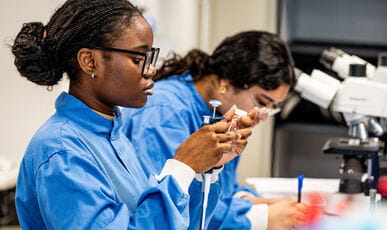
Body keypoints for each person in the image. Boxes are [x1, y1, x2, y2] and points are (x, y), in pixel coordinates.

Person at [11, 0, 255, 229]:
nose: (151, 69)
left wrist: (204, 169)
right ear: (90, 61)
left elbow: (174, 223)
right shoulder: (61, 149)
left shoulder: (112, 135)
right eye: (139, 58)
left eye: (150, 56)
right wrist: (182, 166)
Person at [121, 31, 308, 230]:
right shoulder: (164, 114)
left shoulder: (220, 113)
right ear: (225, 82)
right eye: (262, 102)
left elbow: (222, 189)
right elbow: (168, 204)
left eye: (273, 108)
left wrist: (248, 201)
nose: (263, 115)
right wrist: (258, 217)